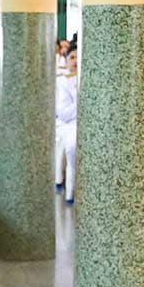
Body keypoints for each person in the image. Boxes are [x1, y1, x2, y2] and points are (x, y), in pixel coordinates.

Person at [55, 42, 79, 204]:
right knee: (72, 146)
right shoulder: (62, 81)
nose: (75, 61)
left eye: (78, 57)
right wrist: (81, 100)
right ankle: (70, 193)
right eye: (72, 57)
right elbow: (64, 114)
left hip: (79, 121)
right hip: (68, 124)